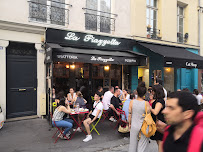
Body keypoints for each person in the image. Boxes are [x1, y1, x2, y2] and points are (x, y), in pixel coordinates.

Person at [128, 82, 151, 152]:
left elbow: (130, 114)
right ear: (144, 94)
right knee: (142, 145)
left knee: (132, 144)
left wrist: (129, 123)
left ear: (136, 92)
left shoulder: (132, 102)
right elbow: (148, 115)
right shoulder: (146, 103)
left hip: (134, 125)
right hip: (144, 126)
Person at [150, 84, 166, 152]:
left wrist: (149, 107)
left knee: (160, 142)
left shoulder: (159, 101)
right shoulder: (158, 100)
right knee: (159, 141)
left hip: (159, 122)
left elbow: (156, 112)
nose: (151, 92)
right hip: (157, 122)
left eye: (152, 91)